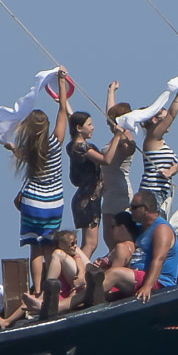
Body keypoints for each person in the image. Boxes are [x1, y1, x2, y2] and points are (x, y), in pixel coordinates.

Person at [3, 70, 72, 298]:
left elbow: (18, 151)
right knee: (50, 248)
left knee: (35, 249)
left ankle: (38, 289)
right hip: (53, 201)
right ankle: (50, 290)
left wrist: (11, 146)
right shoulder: (55, 142)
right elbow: (63, 109)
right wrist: (61, 83)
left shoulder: (28, 150)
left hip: (33, 201)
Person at [121, 76, 178, 208]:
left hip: (161, 193)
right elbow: (172, 116)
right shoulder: (152, 138)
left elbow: (175, 165)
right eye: (163, 114)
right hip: (150, 192)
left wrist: (171, 171)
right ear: (155, 120)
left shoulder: (161, 142)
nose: (166, 118)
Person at [104, 190, 178, 302]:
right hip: (135, 277)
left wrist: (147, 286)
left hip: (158, 282)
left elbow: (159, 259)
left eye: (134, 207)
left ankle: (83, 299)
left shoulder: (162, 229)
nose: (131, 211)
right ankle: (77, 302)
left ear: (146, 208)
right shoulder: (140, 228)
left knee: (114, 274)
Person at [67, 110, 108, 260]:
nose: (93, 127)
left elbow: (71, 117)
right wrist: (117, 136)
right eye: (89, 124)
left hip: (86, 197)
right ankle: (79, 270)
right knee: (91, 243)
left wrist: (64, 101)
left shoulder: (73, 144)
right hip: (89, 199)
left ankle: (78, 268)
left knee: (88, 242)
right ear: (79, 128)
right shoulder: (81, 147)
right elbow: (105, 160)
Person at [101, 84, 137, 217]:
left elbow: (129, 149)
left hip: (119, 192)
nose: (108, 123)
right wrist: (110, 91)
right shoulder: (116, 135)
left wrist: (120, 136)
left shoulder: (126, 136)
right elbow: (110, 112)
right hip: (110, 191)